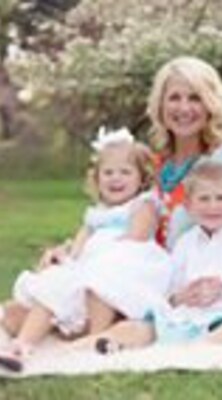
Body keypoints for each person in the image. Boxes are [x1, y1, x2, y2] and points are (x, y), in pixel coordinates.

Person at [0, 127, 173, 372]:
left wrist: (96, 264)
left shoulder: (143, 204)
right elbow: (78, 248)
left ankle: (93, 338)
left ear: (141, 178)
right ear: (97, 178)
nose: (116, 178)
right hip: (91, 266)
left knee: (100, 282)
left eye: (125, 172)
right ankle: (22, 345)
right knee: (54, 284)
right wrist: (65, 258)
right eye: (108, 172)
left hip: (126, 267)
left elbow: (136, 239)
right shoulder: (95, 213)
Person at [92, 160, 222, 352]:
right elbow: (171, 286)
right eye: (204, 199)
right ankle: (84, 349)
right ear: (188, 206)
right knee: (135, 327)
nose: (213, 206)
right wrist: (179, 297)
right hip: (188, 316)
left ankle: (191, 350)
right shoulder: (186, 242)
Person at [148, 56, 222, 249]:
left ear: (211, 105)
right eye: (174, 98)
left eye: (195, 98)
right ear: (160, 106)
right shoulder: (150, 166)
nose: (184, 108)